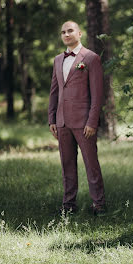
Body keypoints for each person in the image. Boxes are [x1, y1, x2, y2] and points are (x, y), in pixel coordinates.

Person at [48, 21, 106, 215]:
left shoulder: (90, 58)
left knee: (91, 165)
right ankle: (68, 205)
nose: (66, 34)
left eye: (70, 30)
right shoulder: (57, 60)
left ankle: (99, 204)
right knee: (67, 165)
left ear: (79, 33)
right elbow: (54, 92)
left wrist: (92, 121)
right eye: (63, 32)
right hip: (62, 121)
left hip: (84, 123)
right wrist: (52, 119)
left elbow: (97, 94)